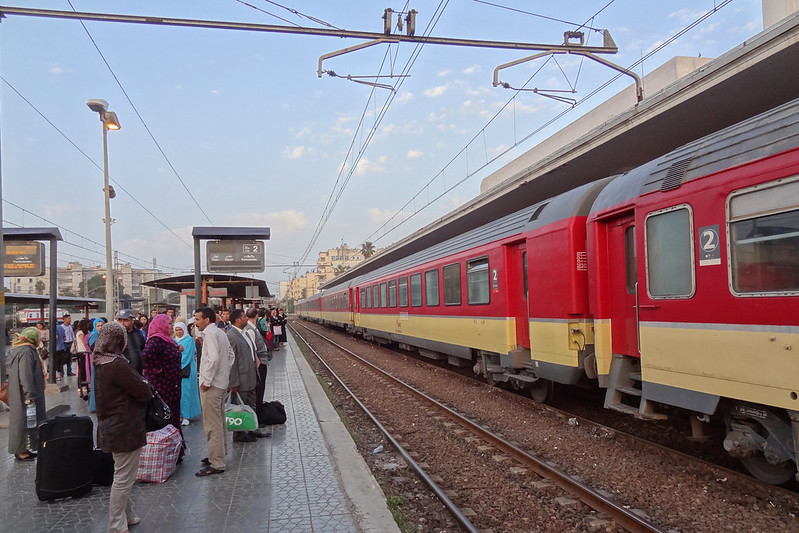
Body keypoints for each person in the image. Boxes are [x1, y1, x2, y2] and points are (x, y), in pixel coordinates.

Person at [93, 321, 151, 533]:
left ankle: (127, 515)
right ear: (119, 340)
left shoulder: (99, 360)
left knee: (122, 473)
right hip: (125, 426)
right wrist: (145, 385)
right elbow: (142, 391)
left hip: (109, 424)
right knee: (124, 477)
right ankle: (116, 524)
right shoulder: (117, 364)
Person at [194, 307, 234, 476]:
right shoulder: (220, 333)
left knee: (212, 424)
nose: (195, 323)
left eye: (197, 319)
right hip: (221, 384)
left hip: (212, 386)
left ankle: (216, 462)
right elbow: (230, 356)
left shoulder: (210, 334)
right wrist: (224, 374)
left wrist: (207, 381)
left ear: (207, 320)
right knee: (219, 420)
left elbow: (214, 359)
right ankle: (218, 453)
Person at [142, 314, 184, 454]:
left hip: (172, 386)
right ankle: (167, 452)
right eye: (169, 323)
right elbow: (146, 355)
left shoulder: (167, 340)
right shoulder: (156, 340)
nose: (171, 326)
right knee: (167, 419)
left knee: (174, 418)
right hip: (163, 387)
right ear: (161, 325)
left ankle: (176, 451)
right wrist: (157, 370)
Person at [6, 327, 46, 462]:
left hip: (19, 391)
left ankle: (24, 449)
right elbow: (25, 374)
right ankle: (21, 451)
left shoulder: (21, 350)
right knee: (24, 421)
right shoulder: (26, 352)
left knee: (23, 421)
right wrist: (30, 395)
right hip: (24, 394)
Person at [226, 309, 261, 443]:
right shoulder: (232, 336)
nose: (247, 318)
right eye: (244, 316)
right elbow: (232, 362)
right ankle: (239, 435)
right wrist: (233, 384)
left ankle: (252, 430)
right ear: (237, 320)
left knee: (250, 405)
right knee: (240, 408)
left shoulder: (244, 333)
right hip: (241, 379)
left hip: (250, 377)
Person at [174, 321, 201, 426]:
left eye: (180, 329)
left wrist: (177, 365)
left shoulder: (189, 340)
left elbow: (186, 356)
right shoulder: (173, 341)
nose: (179, 332)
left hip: (187, 370)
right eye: (176, 330)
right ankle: (180, 414)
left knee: (187, 393)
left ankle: (187, 415)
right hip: (177, 371)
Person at [245, 307, 271, 411]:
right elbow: (252, 347)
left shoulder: (252, 328)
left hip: (260, 361)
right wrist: (257, 361)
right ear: (256, 316)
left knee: (261, 388)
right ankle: (258, 412)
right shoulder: (250, 329)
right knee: (259, 388)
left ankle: (259, 409)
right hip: (259, 363)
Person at [116, 309, 145, 374]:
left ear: (132, 321)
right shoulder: (115, 335)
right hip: (123, 373)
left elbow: (142, 349)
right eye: (120, 320)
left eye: (126, 320)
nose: (122, 323)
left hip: (138, 373)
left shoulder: (138, 333)